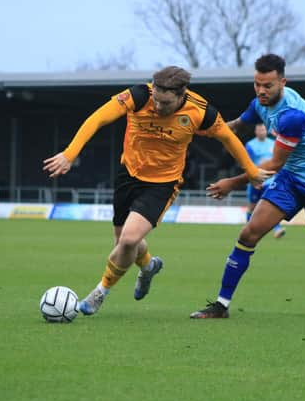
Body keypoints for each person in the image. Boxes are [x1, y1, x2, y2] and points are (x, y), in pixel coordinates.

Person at [43, 66, 272, 316]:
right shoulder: (139, 96)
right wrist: (70, 154)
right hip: (128, 175)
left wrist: (250, 171)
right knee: (124, 244)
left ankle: (100, 292)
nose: (159, 107)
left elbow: (229, 138)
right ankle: (149, 265)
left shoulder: (201, 111)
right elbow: (98, 118)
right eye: (157, 100)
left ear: (182, 94)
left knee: (129, 239)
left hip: (162, 184)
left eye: (166, 103)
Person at [190, 54, 305, 319]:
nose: (261, 91)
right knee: (248, 235)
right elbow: (236, 127)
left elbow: (273, 163)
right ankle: (221, 305)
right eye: (257, 84)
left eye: (268, 86)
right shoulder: (259, 103)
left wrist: (232, 183)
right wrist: (199, 133)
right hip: (291, 178)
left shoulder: (292, 116)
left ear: (282, 82)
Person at [244, 123, 285, 239]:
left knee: (272, 205)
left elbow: (279, 159)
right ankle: (248, 227)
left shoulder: (273, 144)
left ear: (266, 131)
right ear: (255, 131)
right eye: (259, 130)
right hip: (256, 180)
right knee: (252, 206)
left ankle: (277, 229)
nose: (262, 132)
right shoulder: (250, 145)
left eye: (263, 129)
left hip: (270, 181)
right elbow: (247, 163)